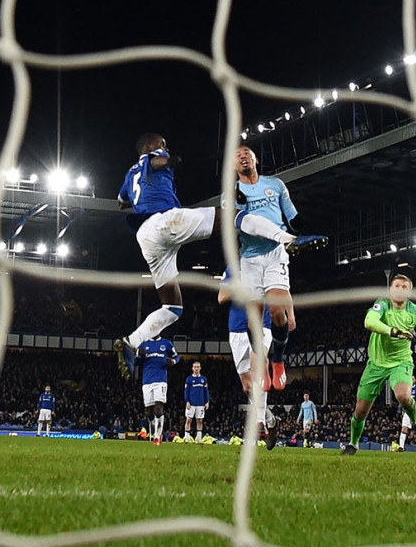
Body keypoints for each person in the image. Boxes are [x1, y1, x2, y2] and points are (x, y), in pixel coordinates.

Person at [115, 133, 306, 380]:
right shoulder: (153, 156)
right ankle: (287, 238)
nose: (165, 147)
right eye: (163, 144)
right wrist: (170, 160)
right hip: (165, 221)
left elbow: (121, 202)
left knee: (172, 307)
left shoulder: (129, 175)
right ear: (150, 147)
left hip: (146, 237)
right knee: (233, 216)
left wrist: (142, 193)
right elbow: (157, 161)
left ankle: (131, 341)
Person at [234, 144, 327, 391]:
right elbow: (238, 223)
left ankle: (277, 359)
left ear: (255, 159)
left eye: (247, 153)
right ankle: (261, 361)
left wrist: (304, 230)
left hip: (275, 253)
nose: (243, 157)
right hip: (250, 259)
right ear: (234, 165)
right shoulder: (231, 193)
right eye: (238, 155)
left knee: (277, 311)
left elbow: (292, 216)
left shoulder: (275, 185)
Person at [341, 274, 416, 455]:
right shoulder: (383, 304)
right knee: (360, 411)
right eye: (397, 286)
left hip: (401, 362)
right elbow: (369, 322)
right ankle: (353, 444)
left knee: (404, 396)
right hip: (376, 364)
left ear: (409, 292)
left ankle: (415, 422)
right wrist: (394, 331)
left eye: (404, 287)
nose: (400, 289)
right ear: (390, 290)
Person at [218, 275, 279, 450]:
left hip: (262, 324)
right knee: (247, 387)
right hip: (237, 328)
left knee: (259, 366)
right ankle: (270, 420)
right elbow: (221, 297)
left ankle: (259, 422)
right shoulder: (232, 269)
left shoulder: (265, 266)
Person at [140, 336, 179, 446]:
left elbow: (177, 357)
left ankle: (157, 436)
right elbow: (135, 361)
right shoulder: (144, 344)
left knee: (158, 408)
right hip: (147, 381)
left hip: (160, 380)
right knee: (149, 411)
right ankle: (155, 425)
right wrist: (139, 354)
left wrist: (173, 361)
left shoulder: (166, 343)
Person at [183, 362, 210, 442]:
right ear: (192, 368)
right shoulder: (189, 379)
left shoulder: (203, 379)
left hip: (200, 404)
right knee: (188, 420)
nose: (196, 368)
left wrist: (207, 402)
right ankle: (187, 439)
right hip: (191, 404)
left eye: (198, 367)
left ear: (200, 368)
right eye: (195, 367)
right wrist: (187, 401)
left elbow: (206, 391)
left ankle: (199, 439)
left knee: (200, 420)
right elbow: (186, 391)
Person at [397, 375, 416, 452]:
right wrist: (402, 409)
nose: (412, 380)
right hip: (407, 412)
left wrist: (415, 408)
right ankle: (401, 447)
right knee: (404, 428)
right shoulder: (405, 389)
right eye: (410, 379)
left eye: (413, 379)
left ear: (415, 380)